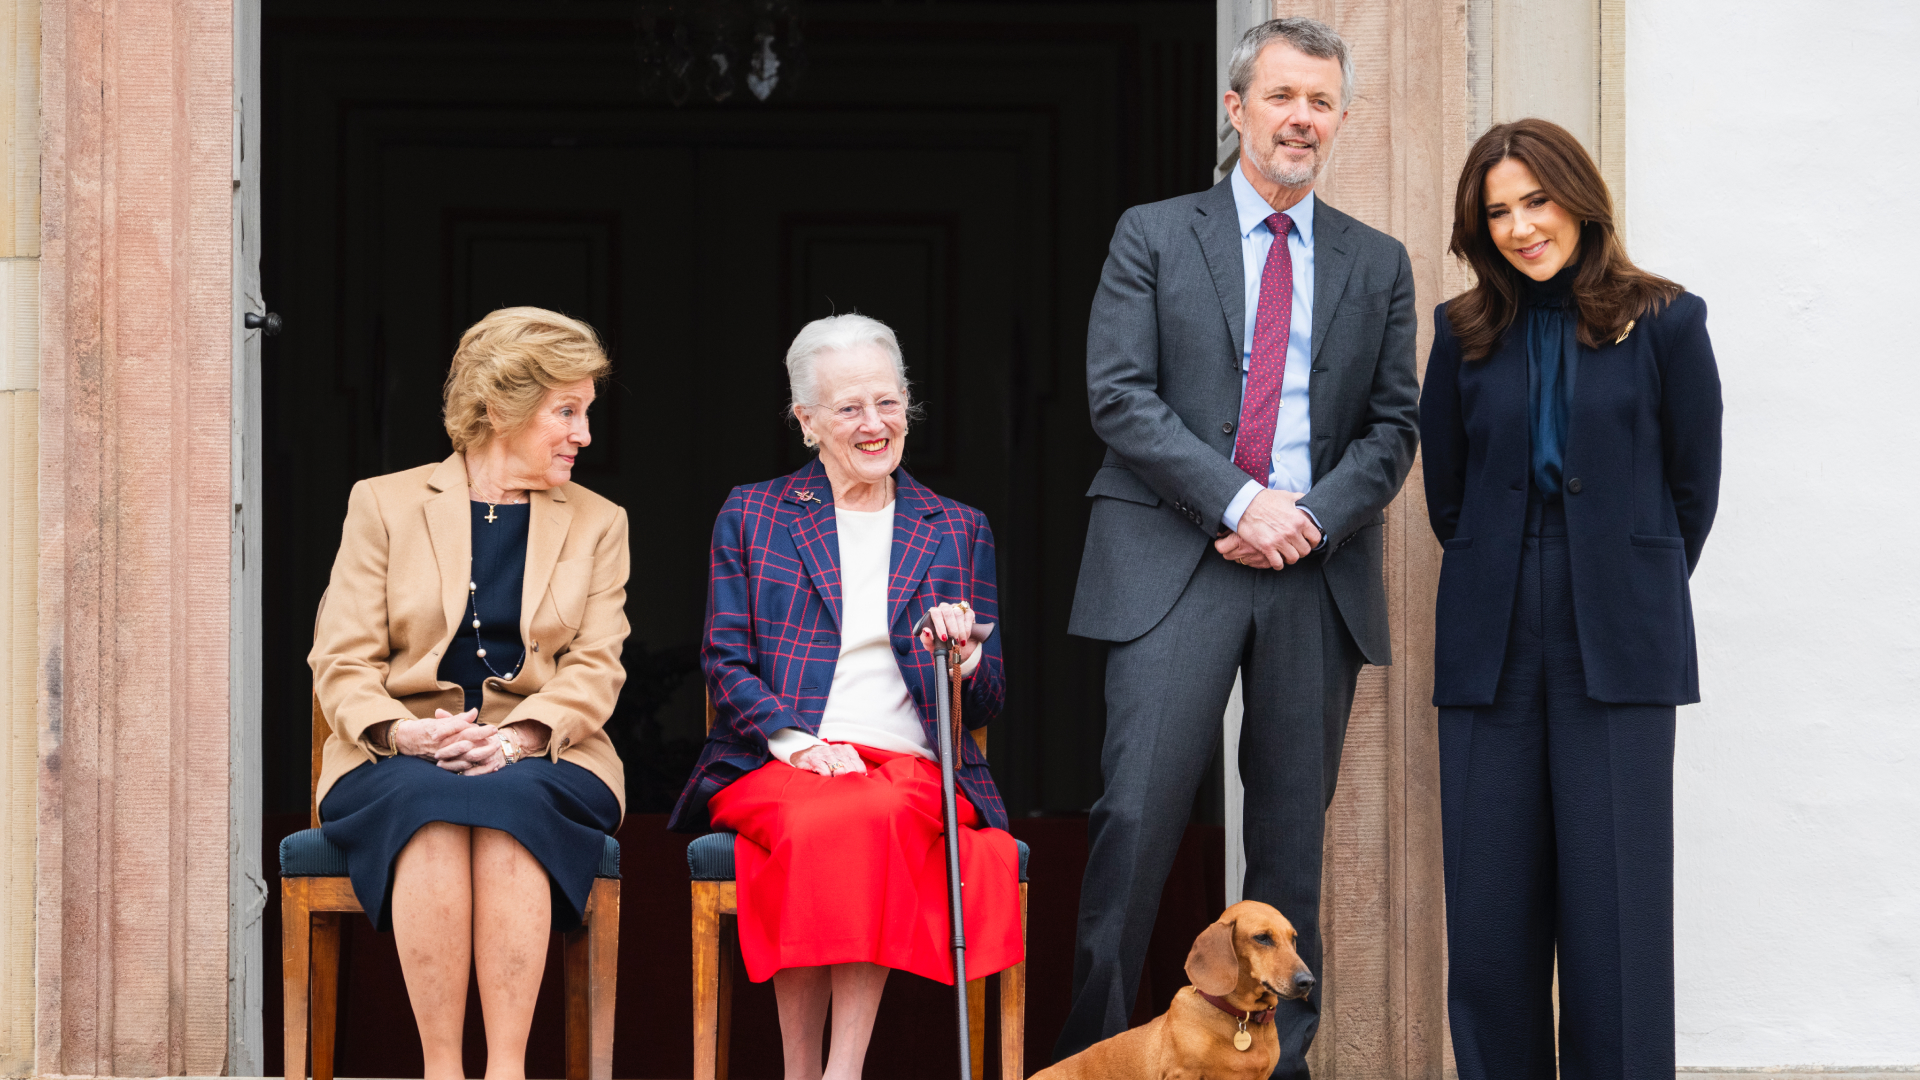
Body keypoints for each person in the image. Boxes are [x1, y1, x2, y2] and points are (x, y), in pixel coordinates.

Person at [1057, 17, 1419, 1078]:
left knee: (1292, 847)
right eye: (1280, 96)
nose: (1300, 118)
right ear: (1236, 107)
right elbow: (1119, 394)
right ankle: (1093, 1058)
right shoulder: (1154, 235)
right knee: (1135, 820)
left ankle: (1279, 1067)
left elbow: (1394, 426)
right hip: (1175, 558)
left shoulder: (1378, 262)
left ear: (1340, 118)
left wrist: (1305, 517)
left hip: (1315, 570)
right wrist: (1241, 501)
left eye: (1320, 102)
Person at [1420, 117, 1721, 1080]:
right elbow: (1450, 495)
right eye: (1498, 210)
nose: (1520, 227)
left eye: (1536, 200)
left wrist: (1623, 578)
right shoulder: (1460, 332)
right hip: (1490, 634)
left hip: (1620, 633)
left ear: (1579, 199)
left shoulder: (1667, 319)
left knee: (1615, 910)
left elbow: (1692, 487)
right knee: (1491, 915)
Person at [669, 313, 1022, 1080]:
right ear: (806, 422)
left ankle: (841, 1071)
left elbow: (989, 699)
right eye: (849, 408)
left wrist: (962, 660)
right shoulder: (754, 513)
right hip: (779, 759)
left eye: (888, 402)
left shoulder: (958, 528)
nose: (875, 425)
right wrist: (801, 744)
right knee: (823, 815)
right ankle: (805, 1071)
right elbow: (724, 663)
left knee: (868, 812)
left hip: (913, 769)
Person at [309, 307, 630, 1080]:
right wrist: (404, 734)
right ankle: (444, 1069)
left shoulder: (599, 521)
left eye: (585, 412)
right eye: (566, 411)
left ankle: (508, 1070)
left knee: (512, 799)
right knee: (427, 799)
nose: (583, 434)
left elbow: (598, 665)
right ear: (499, 409)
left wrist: (518, 737)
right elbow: (341, 660)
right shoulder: (383, 503)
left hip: (549, 752)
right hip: (399, 753)